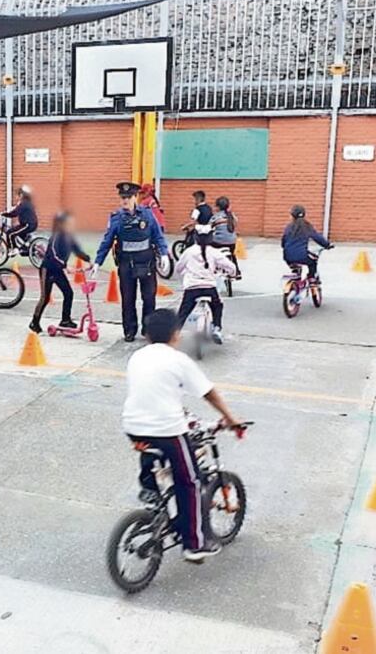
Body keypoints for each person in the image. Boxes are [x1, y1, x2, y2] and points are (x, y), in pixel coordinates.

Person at [123, 309, 242, 562]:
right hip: (167, 431)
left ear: (147, 335)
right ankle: (194, 544)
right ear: (176, 335)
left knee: (155, 454)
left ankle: (151, 494)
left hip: (133, 427)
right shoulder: (178, 360)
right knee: (190, 482)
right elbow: (208, 393)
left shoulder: (137, 357)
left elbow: (155, 393)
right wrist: (230, 419)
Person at [91, 182, 169, 342]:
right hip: (127, 263)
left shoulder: (147, 214)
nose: (125, 200)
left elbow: (157, 236)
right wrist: (98, 262)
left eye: (128, 197)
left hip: (146, 262)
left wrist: (164, 254)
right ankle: (129, 330)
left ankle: (148, 329)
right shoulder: (116, 218)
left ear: (135, 197)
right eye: (122, 197)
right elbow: (107, 241)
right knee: (128, 299)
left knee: (149, 298)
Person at [30, 211, 91, 334]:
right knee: (45, 298)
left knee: (68, 293)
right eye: (69, 223)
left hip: (58, 270)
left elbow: (77, 250)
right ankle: (34, 322)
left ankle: (65, 320)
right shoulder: (56, 236)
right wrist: (65, 266)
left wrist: (88, 260)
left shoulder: (69, 237)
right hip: (48, 269)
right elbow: (53, 254)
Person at [174, 224, 237, 344]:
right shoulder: (214, 252)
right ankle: (216, 328)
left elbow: (178, 268)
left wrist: (183, 275)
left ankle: (174, 334)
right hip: (209, 287)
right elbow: (230, 266)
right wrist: (232, 273)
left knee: (183, 312)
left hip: (192, 287)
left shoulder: (189, 252)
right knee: (217, 306)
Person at [281, 205, 332, 280]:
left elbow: (283, 242)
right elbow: (317, 237)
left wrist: (285, 247)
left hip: (287, 257)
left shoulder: (289, 227)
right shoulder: (307, 226)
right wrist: (327, 245)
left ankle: (295, 273)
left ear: (292, 215)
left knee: (294, 263)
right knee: (313, 261)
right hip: (302, 256)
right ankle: (311, 277)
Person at [1, 185, 38, 253]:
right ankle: (25, 248)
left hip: (28, 225)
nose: (16, 197)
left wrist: (4, 214)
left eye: (16, 195)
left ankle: (14, 249)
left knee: (10, 233)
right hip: (30, 224)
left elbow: (15, 213)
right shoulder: (26, 202)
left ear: (21, 195)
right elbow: (17, 211)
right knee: (18, 232)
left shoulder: (23, 203)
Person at [211, 196, 240, 278]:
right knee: (233, 255)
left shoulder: (215, 216)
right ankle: (237, 272)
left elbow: (209, 226)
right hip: (232, 242)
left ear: (218, 207)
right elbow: (235, 224)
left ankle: (213, 268)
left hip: (218, 242)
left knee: (209, 249)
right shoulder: (232, 216)